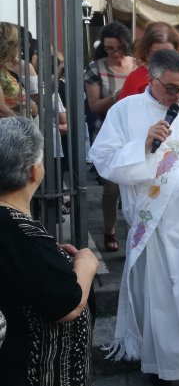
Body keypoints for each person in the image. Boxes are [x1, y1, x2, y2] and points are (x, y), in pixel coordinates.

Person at [89, 49, 179, 386]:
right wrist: (143, 145)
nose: (178, 95)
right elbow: (103, 159)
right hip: (157, 221)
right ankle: (169, 368)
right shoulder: (125, 110)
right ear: (151, 78)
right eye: (171, 88)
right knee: (165, 296)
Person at [0, 116, 99, 385]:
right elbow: (65, 304)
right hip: (28, 371)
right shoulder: (18, 230)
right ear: (34, 171)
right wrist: (86, 263)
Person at [84, 21, 136, 252]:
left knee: (135, 184)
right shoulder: (96, 68)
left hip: (135, 132)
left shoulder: (137, 66)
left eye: (117, 48)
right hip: (108, 133)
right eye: (108, 49)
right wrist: (118, 95)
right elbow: (94, 106)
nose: (113, 53)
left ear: (126, 45)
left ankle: (134, 232)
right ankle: (109, 230)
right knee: (112, 188)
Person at [117, 21, 179, 103]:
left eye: (169, 53)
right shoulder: (135, 78)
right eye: (157, 54)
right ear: (146, 53)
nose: (164, 59)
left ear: (177, 50)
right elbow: (125, 114)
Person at [0, 22, 37, 118]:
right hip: (11, 130)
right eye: (18, 44)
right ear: (8, 45)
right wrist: (24, 126)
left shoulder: (5, 69)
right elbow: (2, 110)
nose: (20, 50)